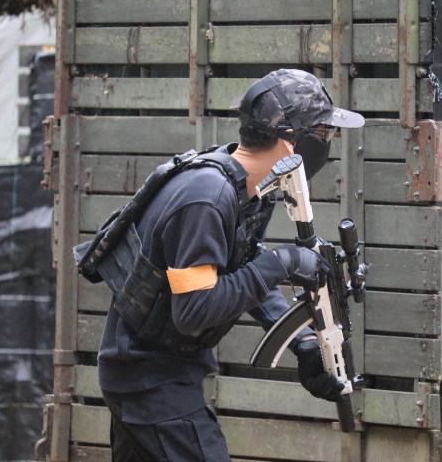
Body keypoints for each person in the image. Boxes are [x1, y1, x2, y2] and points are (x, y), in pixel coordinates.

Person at [96, 68, 365, 461]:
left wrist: (305, 343)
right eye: (324, 134)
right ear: (291, 141)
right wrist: (282, 262)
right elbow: (194, 310)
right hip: (149, 381)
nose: (329, 144)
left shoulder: (249, 187)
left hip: (158, 372)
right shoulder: (207, 198)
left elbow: (244, 265)